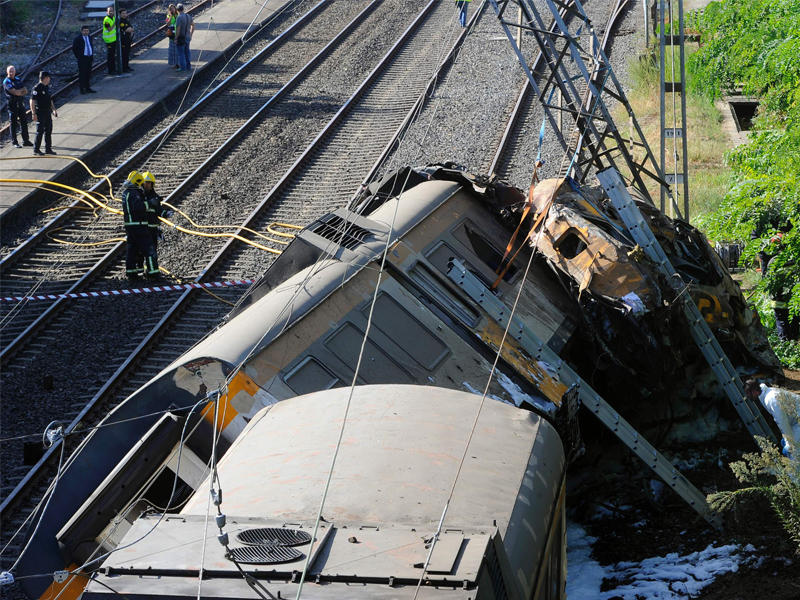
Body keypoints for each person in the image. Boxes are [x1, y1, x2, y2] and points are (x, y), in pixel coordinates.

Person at [122, 170, 160, 279]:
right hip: (139, 226)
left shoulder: (126, 193)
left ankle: (131, 273)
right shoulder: (135, 194)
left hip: (129, 227)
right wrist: (150, 203)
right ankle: (153, 274)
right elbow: (139, 208)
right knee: (149, 250)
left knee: (132, 250)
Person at [141, 171, 173, 250]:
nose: (148, 185)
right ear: (142, 184)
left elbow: (158, 210)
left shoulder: (154, 196)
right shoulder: (138, 195)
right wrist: (149, 203)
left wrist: (165, 213)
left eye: (149, 183)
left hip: (153, 230)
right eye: (146, 183)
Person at [3, 65, 32, 148]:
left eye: (13, 71)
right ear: (7, 72)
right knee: (13, 123)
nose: (11, 73)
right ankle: (14, 142)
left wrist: (19, 92)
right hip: (12, 105)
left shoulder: (18, 79)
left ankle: (25, 140)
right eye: (10, 71)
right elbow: (15, 92)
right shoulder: (6, 81)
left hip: (20, 103)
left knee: (24, 122)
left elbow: (25, 90)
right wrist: (19, 92)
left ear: (15, 71)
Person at [29, 71, 57, 156]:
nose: (49, 79)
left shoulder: (46, 87)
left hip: (47, 111)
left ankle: (48, 149)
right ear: (45, 78)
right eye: (48, 77)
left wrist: (54, 110)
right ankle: (36, 149)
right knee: (40, 131)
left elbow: (50, 99)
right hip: (40, 112)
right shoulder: (36, 88)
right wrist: (33, 113)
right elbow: (32, 101)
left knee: (48, 130)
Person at [72, 26, 96, 94]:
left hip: (89, 58)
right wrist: (79, 56)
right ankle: (82, 89)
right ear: (81, 31)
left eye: (87, 31)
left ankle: (88, 87)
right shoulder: (78, 39)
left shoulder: (89, 37)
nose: (86, 32)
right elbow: (74, 48)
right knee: (82, 74)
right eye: (84, 31)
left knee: (88, 73)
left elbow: (90, 46)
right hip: (82, 58)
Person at [174, 4, 195, 72]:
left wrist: (176, 38)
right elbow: (193, 25)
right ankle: (188, 67)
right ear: (183, 9)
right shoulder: (188, 16)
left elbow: (178, 29)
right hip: (188, 37)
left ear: (177, 10)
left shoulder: (179, 18)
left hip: (181, 38)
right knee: (187, 52)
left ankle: (183, 68)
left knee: (181, 54)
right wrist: (191, 34)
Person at [102, 5, 118, 75]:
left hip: (113, 39)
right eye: (109, 11)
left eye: (112, 11)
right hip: (109, 40)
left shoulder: (113, 17)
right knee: (110, 56)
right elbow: (109, 29)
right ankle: (111, 71)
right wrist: (115, 23)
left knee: (113, 55)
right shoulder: (106, 20)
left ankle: (113, 69)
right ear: (107, 12)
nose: (111, 12)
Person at [165, 4, 178, 69]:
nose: (172, 10)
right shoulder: (168, 16)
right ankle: (173, 63)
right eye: (171, 9)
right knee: (172, 49)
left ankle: (177, 63)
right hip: (171, 34)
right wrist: (170, 17)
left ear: (175, 9)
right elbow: (167, 24)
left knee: (177, 49)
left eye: (173, 8)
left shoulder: (178, 15)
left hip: (177, 33)